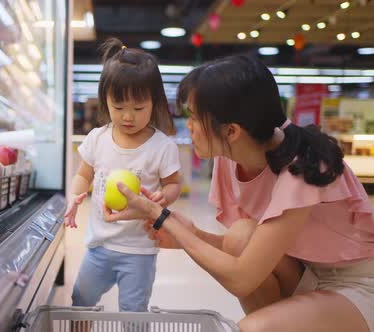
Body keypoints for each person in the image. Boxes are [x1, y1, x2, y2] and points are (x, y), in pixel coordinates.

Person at [104, 55, 374, 331]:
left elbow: (242, 277)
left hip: (355, 284)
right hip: (306, 272)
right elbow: (249, 254)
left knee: (254, 328)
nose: (190, 128)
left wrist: (161, 217)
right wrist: (191, 234)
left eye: (195, 118)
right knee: (239, 237)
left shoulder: (302, 169)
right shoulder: (230, 157)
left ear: (232, 131)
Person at [64, 38, 181, 313]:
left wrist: (165, 197)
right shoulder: (97, 138)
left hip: (139, 251)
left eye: (138, 108)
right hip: (99, 246)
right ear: (105, 99)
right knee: (81, 301)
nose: (128, 116)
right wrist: (74, 195)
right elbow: (83, 174)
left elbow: (173, 185)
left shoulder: (162, 146)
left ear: (155, 102)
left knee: (133, 312)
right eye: (118, 107)